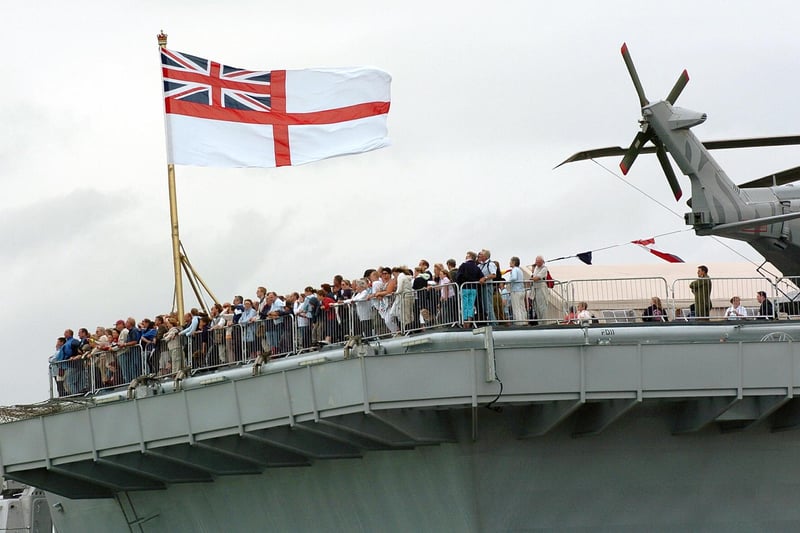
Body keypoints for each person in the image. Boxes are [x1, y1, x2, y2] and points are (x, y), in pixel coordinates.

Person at [456, 251, 483, 328]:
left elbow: (458, 277)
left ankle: (465, 322)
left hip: (465, 287)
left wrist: (461, 282)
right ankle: (470, 320)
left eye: (467, 255)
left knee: (465, 305)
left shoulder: (463, 265)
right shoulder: (476, 267)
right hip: (474, 288)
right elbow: (481, 276)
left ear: (469, 256)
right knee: (471, 305)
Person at [507, 257, 526, 326]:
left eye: (510, 261)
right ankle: (524, 321)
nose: (509, 262)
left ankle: (518, 322)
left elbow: (514, 278)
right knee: (522, 307)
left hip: (515, 290)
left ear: (514, 262)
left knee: (516, 307)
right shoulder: (520, 270)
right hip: (521, 290)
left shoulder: (514, 269)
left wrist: (508, 281)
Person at [530, 255, 550, 324]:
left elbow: (536, 278)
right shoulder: (536, 268)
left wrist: (531, 279)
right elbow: (534, 276)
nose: (537, 263)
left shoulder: (544, 269)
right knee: (537, 307)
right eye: (536, 262)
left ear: (542, 262)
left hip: (541, 289)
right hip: (535, 289)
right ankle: (539, 322)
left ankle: (544, 323)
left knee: (542, 307)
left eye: (538, 262)